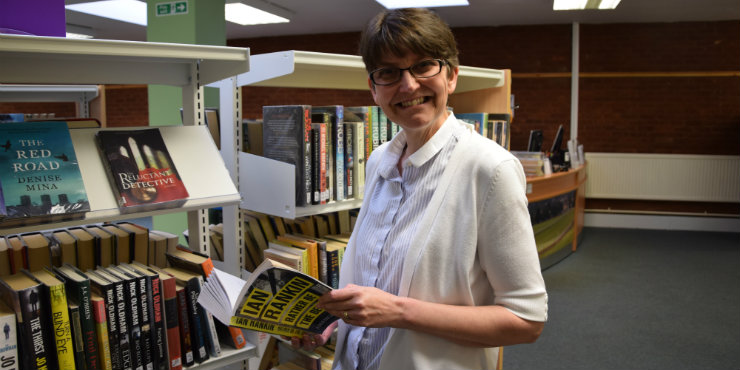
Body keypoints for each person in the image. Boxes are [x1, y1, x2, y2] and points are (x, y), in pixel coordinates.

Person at [290, 7, 548, 369]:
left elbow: (526, 321)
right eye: (389, 73)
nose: (408, 85)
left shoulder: (490, 170)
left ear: (452, 76)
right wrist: (332, 321)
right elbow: (378, 279)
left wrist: (397, 312)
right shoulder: (380, 160)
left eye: (424, 66)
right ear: (374, 89)